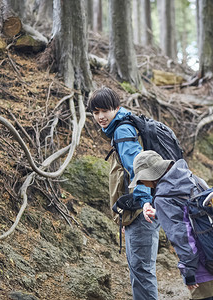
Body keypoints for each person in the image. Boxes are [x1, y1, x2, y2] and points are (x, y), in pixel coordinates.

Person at [129, 150, 213, 300]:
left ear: (151, 176)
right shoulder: (191, 177)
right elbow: (195, 213)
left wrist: (189, 271)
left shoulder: (163, 198)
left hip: (204, 267)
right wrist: (160, 213)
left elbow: (181, 236)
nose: (142, 183)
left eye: (141, 180)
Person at [88, 87, 160, 300]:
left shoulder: (122, 130)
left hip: (140, 211)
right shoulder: (123, 126)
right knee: (140, 270)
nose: (100, 117)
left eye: (105, 111)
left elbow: (140, 168)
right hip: (139, 210)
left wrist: (144, 202)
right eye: (95, 112)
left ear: (116, 108)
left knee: (142, 272)